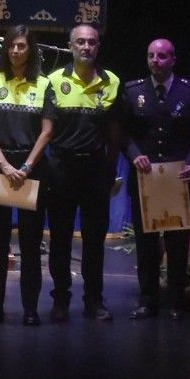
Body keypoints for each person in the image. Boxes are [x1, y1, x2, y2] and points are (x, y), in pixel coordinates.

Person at [0, 25, 55, 325]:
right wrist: (6, 166)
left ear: (31, 50)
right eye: (12, 46)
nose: (16, 51)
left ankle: (30, 309)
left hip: (30, 170)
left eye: (22, 46)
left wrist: (25, 167)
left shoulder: (44, 85)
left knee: (31, 244)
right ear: (6, 50)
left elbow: (47, 131)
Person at [44, 24, 124, 322]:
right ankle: (61, 300)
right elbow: (47, 131)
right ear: (70, 45)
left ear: (98, 46)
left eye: (91, 42)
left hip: (95, 169)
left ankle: (94, 300)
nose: (86, 47)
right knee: (60, 239)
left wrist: (110, 168)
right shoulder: (53, 80)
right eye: (80, 42)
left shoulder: (112, 81)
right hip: (61, 169)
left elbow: (115, 132)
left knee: (94, 240)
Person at [120, 38, 190, 320]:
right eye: (151, 55)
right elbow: (123, 133)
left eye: (162, 56)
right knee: (146, 244)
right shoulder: (133, 91)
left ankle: (176, 300)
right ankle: (148, 300)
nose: (156, 60)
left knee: (178, 244)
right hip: (146, 179)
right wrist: (133, 155)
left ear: (173, 59)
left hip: (178, 178)